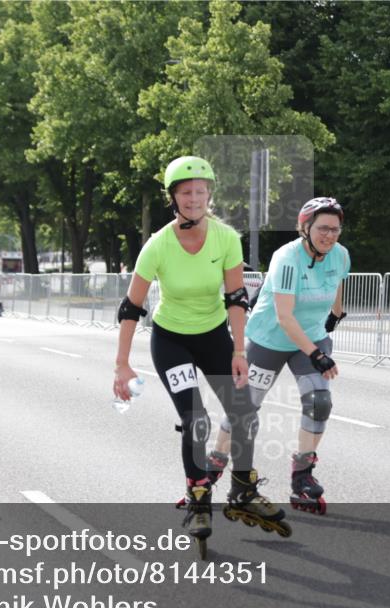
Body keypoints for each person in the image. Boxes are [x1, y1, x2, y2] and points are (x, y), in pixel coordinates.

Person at [112, 156, 289, 555]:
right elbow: (131, 308)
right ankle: (197, 498)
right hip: (171, 339)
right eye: (186, 192)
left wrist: (239, 350)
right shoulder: (157, 245)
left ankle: (243, 487)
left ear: (210, 195)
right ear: (174, 199)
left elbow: (235, 298)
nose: (194, 198)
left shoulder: (226, 238)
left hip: (212, 336)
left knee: (243, 410)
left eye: (201, 192)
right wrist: (122, 364)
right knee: (196, 419)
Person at [211, 197, 350, 515]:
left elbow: (336, 284)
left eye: (335, 229)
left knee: (319, 403)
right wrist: (317, 355)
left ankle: (302, 476)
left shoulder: (340, 255)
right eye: (322, 228)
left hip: (311, 335)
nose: (329, 235)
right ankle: (215, 464)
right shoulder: (287, 258)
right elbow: (285, 317)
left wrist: (335, 315)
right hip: (270, 338)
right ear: (305, 228)